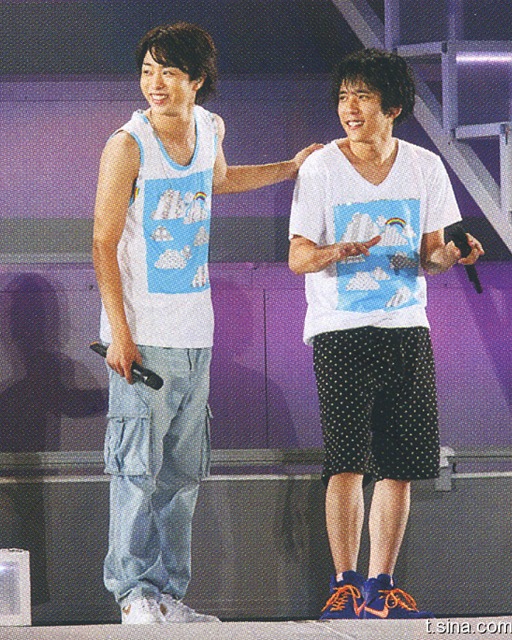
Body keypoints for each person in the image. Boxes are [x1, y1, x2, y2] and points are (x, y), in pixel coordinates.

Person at [92, 22, 319, 625]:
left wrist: (289, 167)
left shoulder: (210, 127)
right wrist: (120, 332)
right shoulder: (127, 144)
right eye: (148, 70)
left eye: (168, 71)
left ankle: (167, 593)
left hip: (196, 331)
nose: (155, 82)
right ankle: (133, 594)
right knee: (136, 470)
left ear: (196, 80)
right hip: (143, 334)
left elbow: (218, 181)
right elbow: (102, 241)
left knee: (183, 474)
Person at [288, 48, 483, 620]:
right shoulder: (321, 168)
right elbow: (298, 257)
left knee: (402, 462)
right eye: (344, 96)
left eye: (363, 97)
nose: (350, 108)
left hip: (405, 325)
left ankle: (381, 586)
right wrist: (336, 251)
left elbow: (430, 256)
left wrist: (453, 256)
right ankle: (344, 584)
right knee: (347, 459)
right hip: (340, 329)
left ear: (392, 107)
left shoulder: (424, 166)